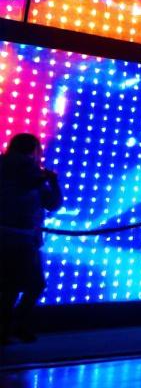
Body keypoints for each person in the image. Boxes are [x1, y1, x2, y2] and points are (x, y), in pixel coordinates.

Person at [0, 133, 63, 343]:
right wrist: (52, 181)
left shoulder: (9, 166)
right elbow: (53, 203)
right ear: (34, 150)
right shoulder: (32, 172)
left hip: (12, 236)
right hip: (22, 238)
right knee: (33, 285)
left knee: (9, 287)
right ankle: (15, 326)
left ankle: (7, 330)